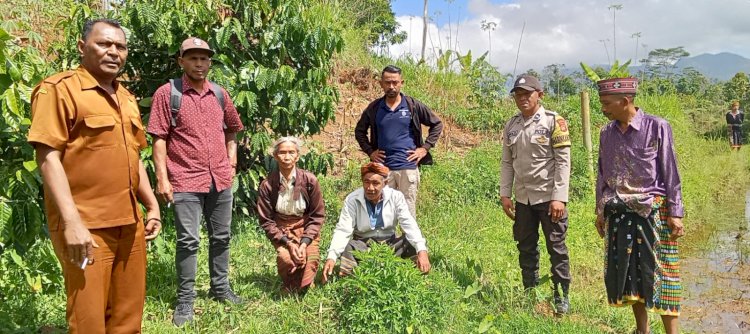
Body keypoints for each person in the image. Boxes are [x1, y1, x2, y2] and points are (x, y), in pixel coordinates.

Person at [28, 19, 162, 333]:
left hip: (130, 224)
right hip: (87, 226)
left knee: (128, 318)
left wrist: (152, 205)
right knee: (88, 320)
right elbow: (47, 156)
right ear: (81, 47)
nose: (113, 52)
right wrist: (72, 222)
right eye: (104, 44)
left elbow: (134, 155)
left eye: (120, 46)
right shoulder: (59, 91)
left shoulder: (126, 98)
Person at [147, 37, 245, 326]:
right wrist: (162, 179)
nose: (199, 64)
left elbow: (233, 129)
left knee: (221, 237)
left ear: (210, 62)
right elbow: (159, 139)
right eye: (193, 58)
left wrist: (232, 160)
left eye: (204, 59)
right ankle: (186, 300)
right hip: (185, 178)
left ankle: (220, 288)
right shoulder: (168, 94)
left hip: (219, 178)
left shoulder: (219, 93)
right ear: (181, 61)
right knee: (188, 240)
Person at [594, 77, 686, 334]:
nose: (603, 108)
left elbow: (670, 171)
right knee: (630, 276)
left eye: (606, 103)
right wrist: (600, 210)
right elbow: (602, 174)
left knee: (665, 277)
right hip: (619, 213)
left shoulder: (657, 127)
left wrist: (675, 213)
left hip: (653, 212)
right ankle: (642, 330)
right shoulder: (606, 133)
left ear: (625, 101)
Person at [499, 74, 572, 314]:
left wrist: (559, 197)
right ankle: (530, 291)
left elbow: (563, 162)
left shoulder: (553, 122)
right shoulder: (512, 125)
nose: (522, 99)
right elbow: (507, 163)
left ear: (539, 95)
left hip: (549, 199)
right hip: (523, 199)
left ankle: (561, 296)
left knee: (556, 248)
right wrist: (505, 193)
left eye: (527, 94)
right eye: (518, 95)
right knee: (526, 245)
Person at [354, 65, 443, 218]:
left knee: (407, 211)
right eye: (387, 82)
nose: (391, 86)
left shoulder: (412, 106)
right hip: (384, 170)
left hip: (408, 168)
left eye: (395, 82)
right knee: (385, 211)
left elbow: (437, 124)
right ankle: (386, 241)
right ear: (381, 84)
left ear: (402, 82)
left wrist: (424, 149)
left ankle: (408, 241)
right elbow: (359, 131)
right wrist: (370, 151)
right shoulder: (375, 108)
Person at [322, 162, 431, 283]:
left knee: (409, 243)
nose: (370, 188)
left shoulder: (396, 197)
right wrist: (331, 256)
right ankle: (352, 284)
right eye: (366, 182)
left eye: (376, 183)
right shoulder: (353, 199)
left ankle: (412, 280)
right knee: (349, 247)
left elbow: (409, 223)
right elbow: (343, 229)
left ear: (385, 183)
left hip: (390, 245)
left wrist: (422, 250)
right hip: (363, 245)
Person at [256, 137, 325, 293]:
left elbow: (317, 216)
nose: (286, 157)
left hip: (305, 226)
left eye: (291, 152)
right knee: (286, 258)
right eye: (282, 152)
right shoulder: (268, 185)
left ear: (297, 156)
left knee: (310, 257)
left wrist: (303, 243)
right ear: (275, 156)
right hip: (282, 229)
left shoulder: (309, 181)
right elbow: (266, 221)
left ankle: (305, 283)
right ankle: (291, 284)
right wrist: (288, 243)